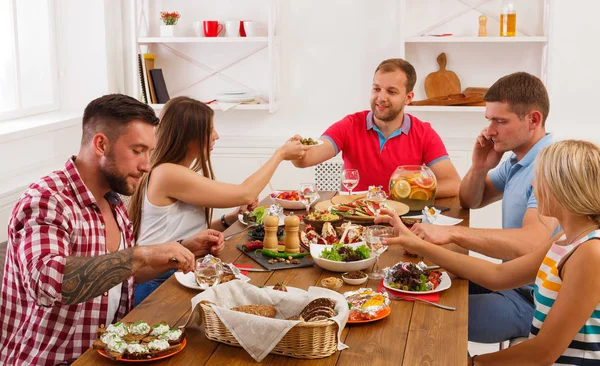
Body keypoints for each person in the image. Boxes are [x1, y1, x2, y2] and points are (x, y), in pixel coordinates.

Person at [0, 94, 225, 365]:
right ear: (101, 144)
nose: (146, 165)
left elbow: (119, 276)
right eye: (137, 150)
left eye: (149, 152)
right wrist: (139, 254)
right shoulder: (47, 200)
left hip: (106, 354)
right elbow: (48, 282)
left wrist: (180, 249)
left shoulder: (114, 201)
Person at [377, 140, 600, 365]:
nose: (534, 183)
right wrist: (420, 245)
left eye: (541, 178)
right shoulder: (564, 240)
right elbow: (498, 274)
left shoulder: (590, 253)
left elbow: (542, 353)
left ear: (566, 188)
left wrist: (473, 363)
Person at [409, 72, 559, 344]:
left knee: (428, 317)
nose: (490, 130)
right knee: (414, 286)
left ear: (533, 119)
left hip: (535, 302)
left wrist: (452, 234)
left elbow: (530, 243)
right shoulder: (517, 160)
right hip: (510, 282)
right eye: (489, 120)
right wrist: (480, 167)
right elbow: (470, 200)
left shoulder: (550, 167)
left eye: (500, 121)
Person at [129, 96, 309, 305]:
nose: (216, 136)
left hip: (182, 273)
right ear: (189, 136)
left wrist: (229, 219)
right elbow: (245, 193)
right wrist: (280, 155)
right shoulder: (167, 174)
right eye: (210, 130)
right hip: (158, 286)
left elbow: (182, 233)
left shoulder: (174, 172)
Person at [291, 58, 460, 197]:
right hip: (354, 221)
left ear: (408, 98)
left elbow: (453, 184)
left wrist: (408, 192)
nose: (381, 97)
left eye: (391, 92)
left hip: (402, 223)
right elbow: (306, 159)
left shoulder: (424, 133)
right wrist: (296, 150)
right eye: (376, 89)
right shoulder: (349, 125)